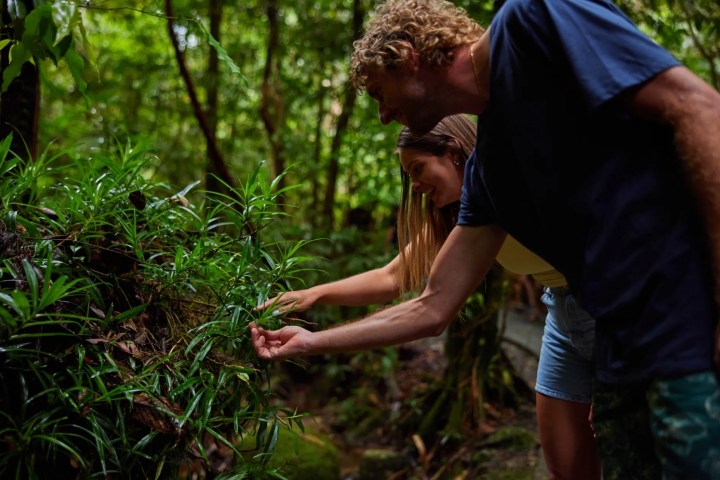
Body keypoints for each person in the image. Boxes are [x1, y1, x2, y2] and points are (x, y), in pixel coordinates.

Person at [251, 1, 720, 478]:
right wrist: (310, 343)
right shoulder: (488, 175)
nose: (383, 114)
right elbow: (431, 305)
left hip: (686, 322)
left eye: (379, 91)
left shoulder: (534, 18)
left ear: (405, 54)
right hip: (620, 352)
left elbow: (697, 106)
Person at [259, 115, 600, 478]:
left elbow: (431, 309)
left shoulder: (513, 179)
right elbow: (392, 277)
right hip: (560, 315)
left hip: (608, 305)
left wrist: (607, 371)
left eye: (419, 169)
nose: (416, 185)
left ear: (453, 151)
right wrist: (310, 296)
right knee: (566, 467)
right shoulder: (465, 216)